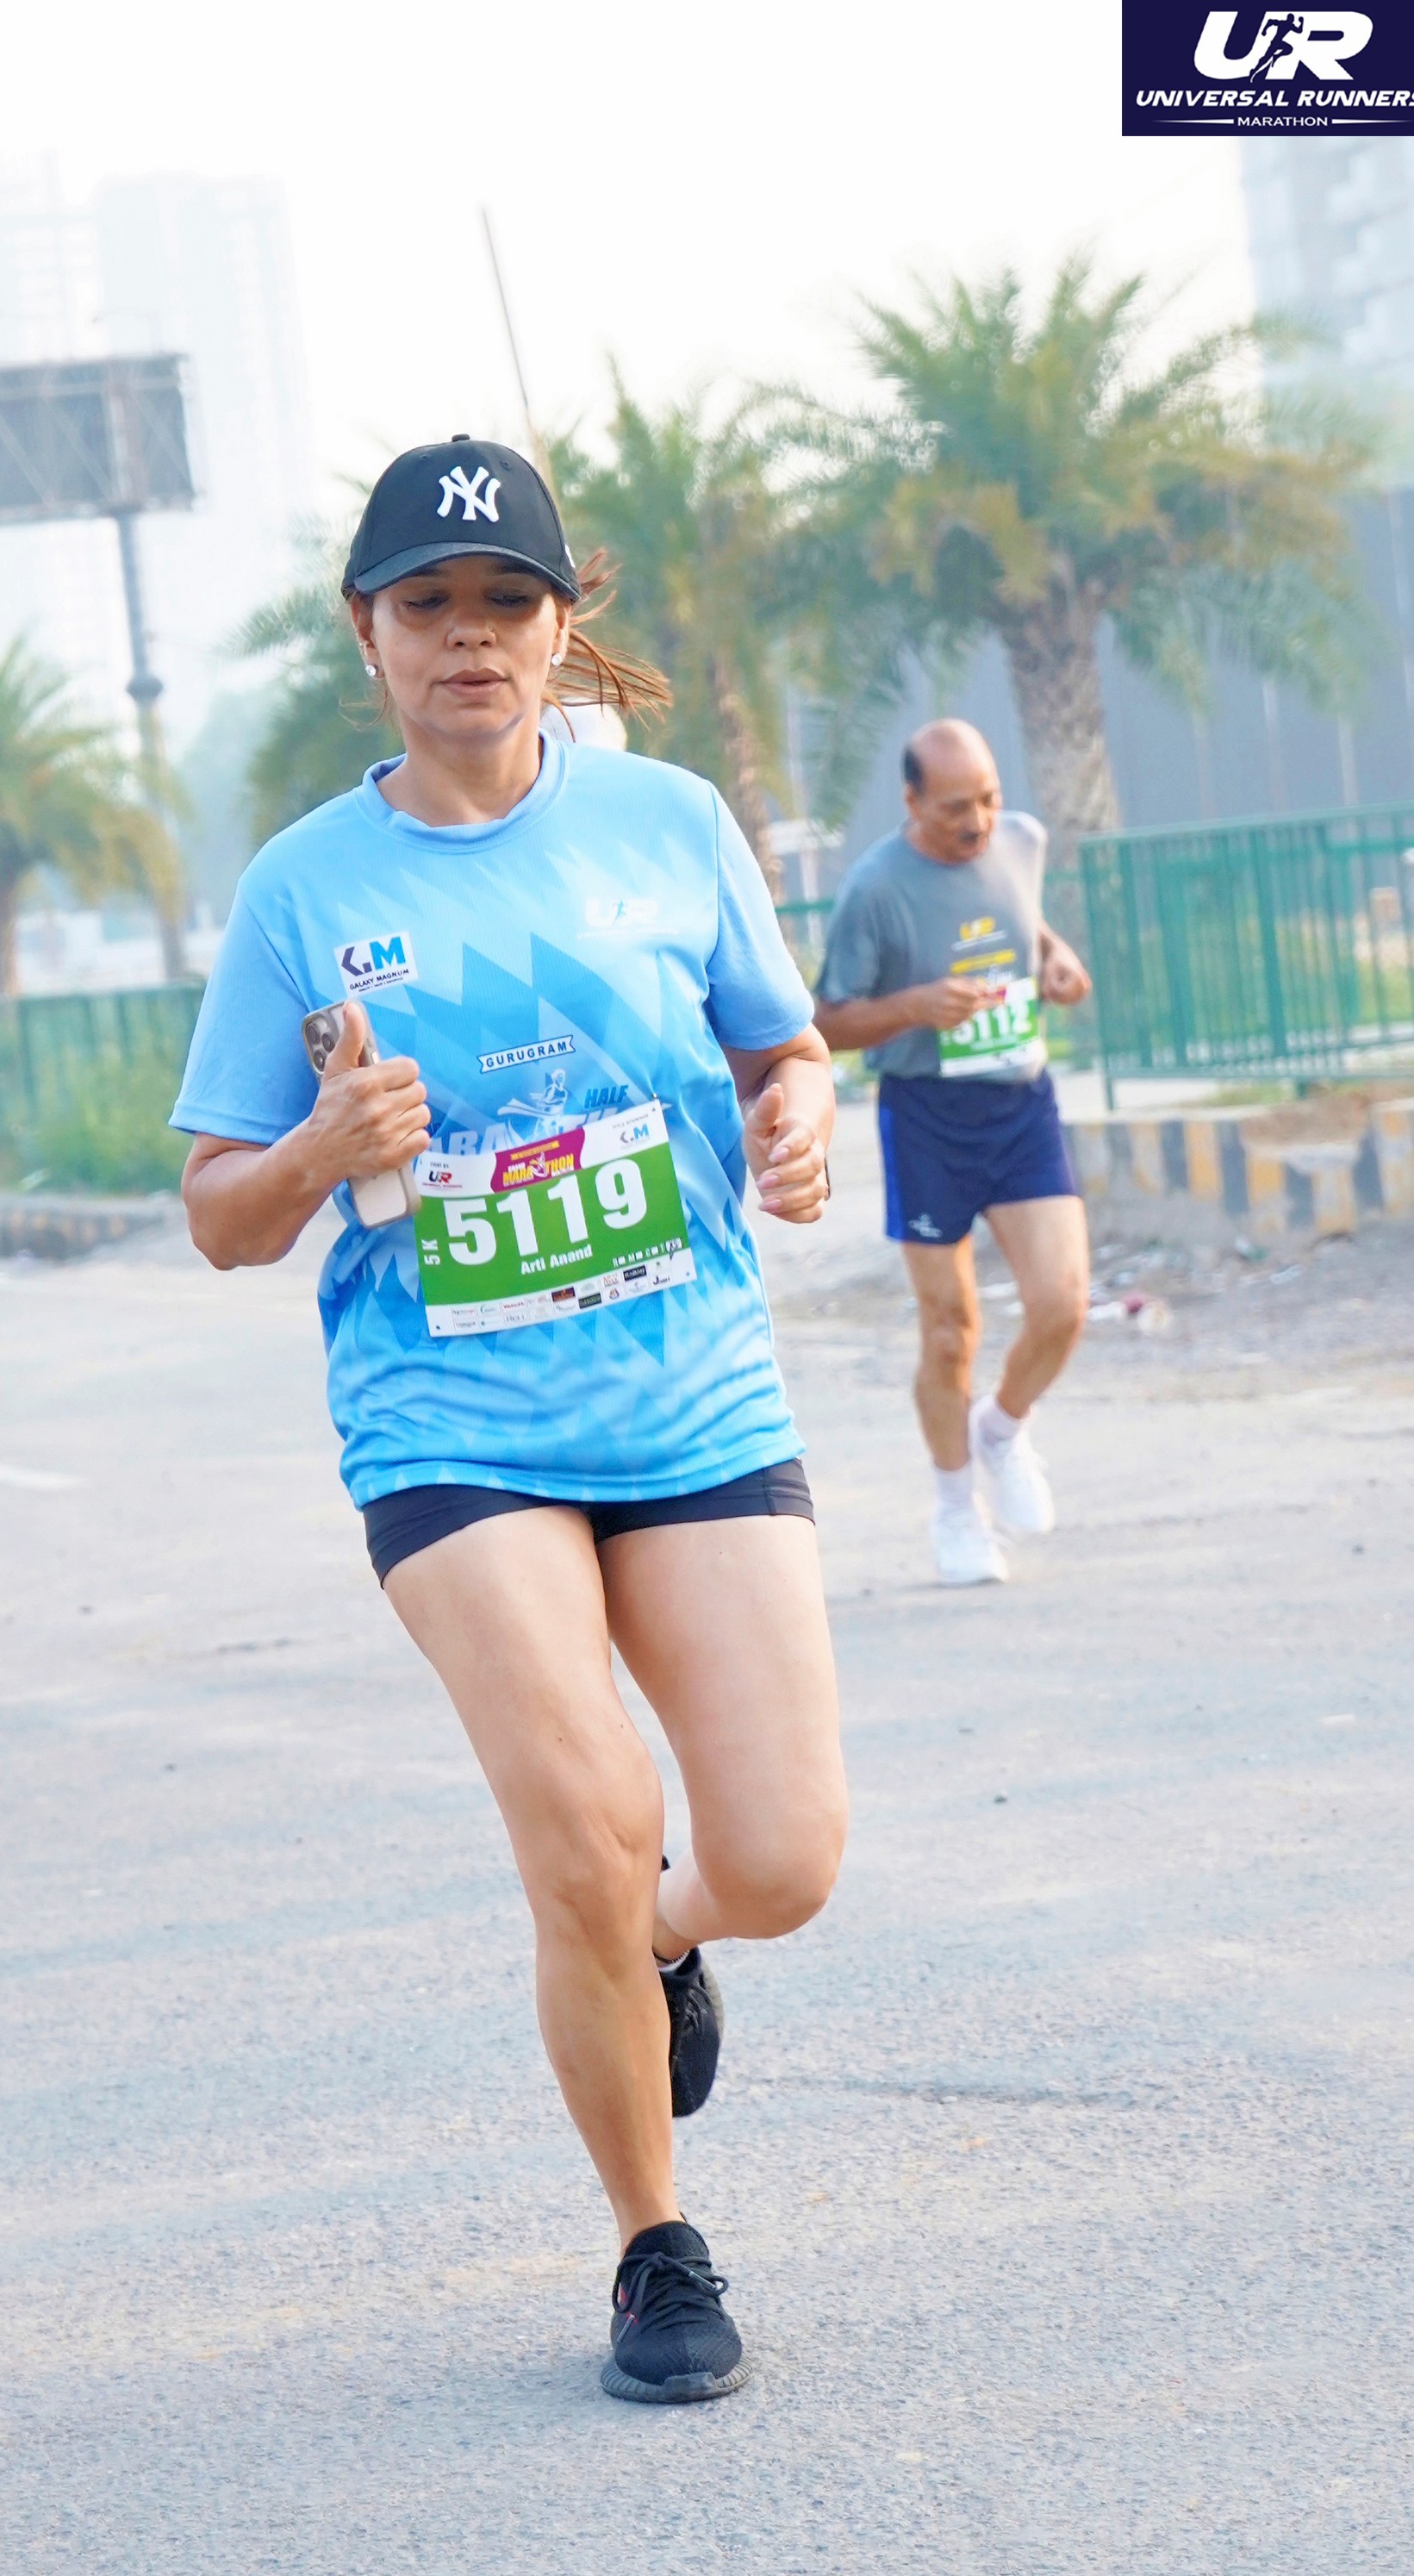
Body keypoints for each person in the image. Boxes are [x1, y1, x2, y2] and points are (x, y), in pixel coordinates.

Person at [174, 437, 848, 2404]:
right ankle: (654, 2244)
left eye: (504, 603)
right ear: (367, 635)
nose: (467, 638)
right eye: (427, 606)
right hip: (449, 1420)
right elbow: (221, 1213)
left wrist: (798, 1117)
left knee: (783, 1857)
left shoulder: (669, 822)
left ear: (561, 629)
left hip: (691, 1391)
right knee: (585, 1825)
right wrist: (320, 1144)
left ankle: (663, 1936)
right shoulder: (305, 889)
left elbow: (783, 1043)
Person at [813, 720, 1093, 1587]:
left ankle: (1001, 1430)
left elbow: (1024, 922)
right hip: (927, 1113)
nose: (977, 823)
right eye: (954, 808)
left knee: (1062, 1305)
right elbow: (826, 1020)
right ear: (910, 802)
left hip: (1020, 1103)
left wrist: (1056, 960)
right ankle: (954, 1511)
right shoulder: (873, 889)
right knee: (948, 1333)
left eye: (988, 800)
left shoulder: (1022, 841)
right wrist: (914, 1006)